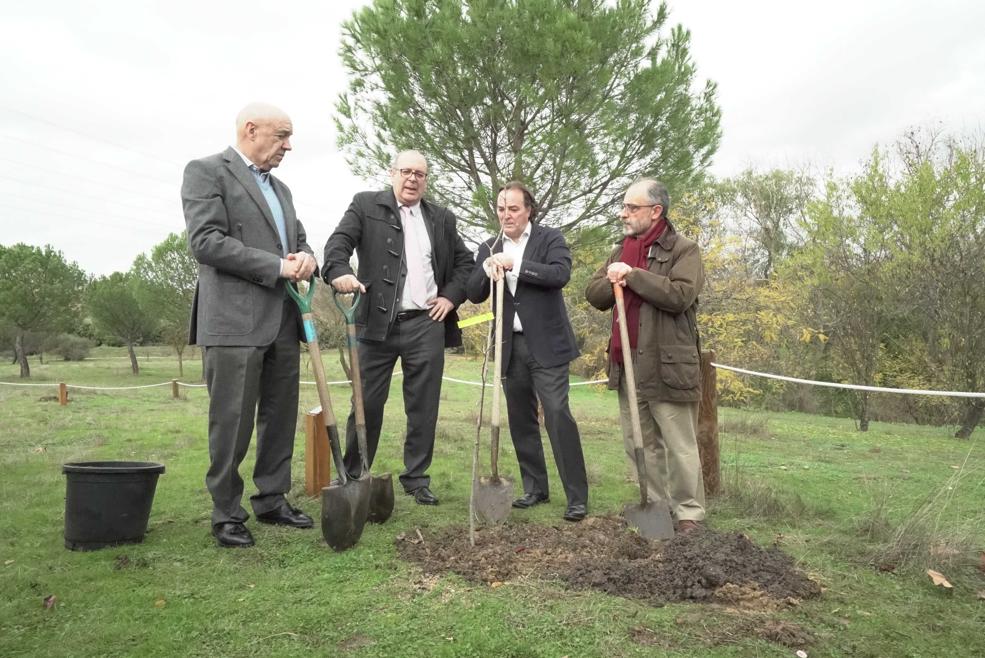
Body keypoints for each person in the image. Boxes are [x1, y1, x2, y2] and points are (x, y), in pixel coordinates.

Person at [182, 102, 317, 548]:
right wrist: (279, 266)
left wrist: (307, 257)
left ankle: (272, 499)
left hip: (283, 319)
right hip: (233, 322)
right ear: (251, 129)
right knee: (232, 420)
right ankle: (226, 513)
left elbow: (296, 241)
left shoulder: (282, 190)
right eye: (281, 136)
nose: (288, 145)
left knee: (279, 416)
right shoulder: (206, 172)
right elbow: (206, 242)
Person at [323, 150, 473, 505]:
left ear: (426, 179)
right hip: (376, 324)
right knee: (366, 402)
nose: (413, 179)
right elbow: (337, 244)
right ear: (392, 174)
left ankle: (416, 477)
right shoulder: (364, 205)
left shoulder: (441, 218)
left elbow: (465, 262)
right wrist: (340, 272)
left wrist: (450, 297)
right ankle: (355, 474)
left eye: (420, 174)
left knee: (423, 405)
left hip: (426, 323)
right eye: (406, 171)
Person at [584, 178, 706, 533]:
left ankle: (689, 514)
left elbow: (679, 295)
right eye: (623, 207)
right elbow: (594, 294)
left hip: (667, 364)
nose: (624, 214)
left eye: (631, 207)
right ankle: (655, 506)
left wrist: (633, 276)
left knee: (679, 443)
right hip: (627, 364)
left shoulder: (684, 250)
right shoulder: (620, 249)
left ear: (656, 211)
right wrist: (612, 277)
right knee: (640, 441)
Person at [466, 182, 589, 522]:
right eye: (502, 209)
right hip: (510, 346)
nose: (506, 215)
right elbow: (474, 293)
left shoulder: (549, 239)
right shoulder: (488, 245)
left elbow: (560, 274)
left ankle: (576, 496)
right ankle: (535, 487)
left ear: (529, 210)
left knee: (557, 415)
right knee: (521, 419)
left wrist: (516, 266)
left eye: (514, 209)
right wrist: (486, 268)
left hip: (547, 345)